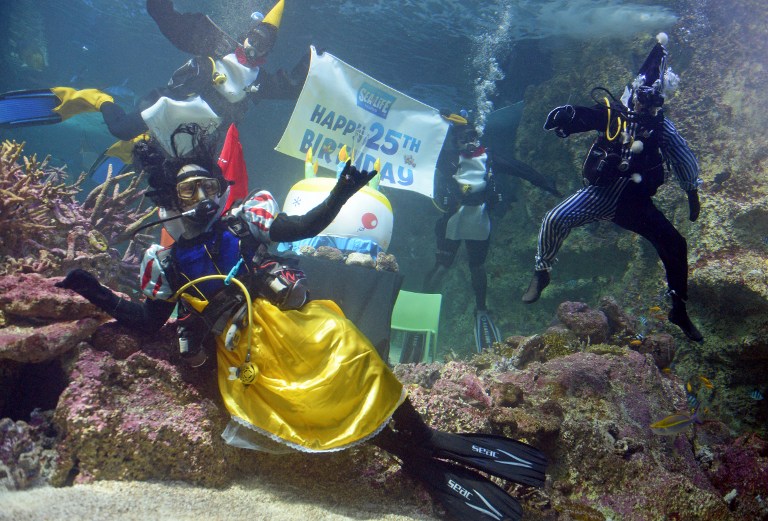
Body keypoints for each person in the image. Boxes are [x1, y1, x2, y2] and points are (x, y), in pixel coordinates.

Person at [55, 124, 546, 521]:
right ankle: (405, 451)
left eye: (209, 185)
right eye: (190, 189)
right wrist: (92, 291)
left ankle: (421, 436)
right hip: (243, 349)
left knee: (350, 348)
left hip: (289, 322)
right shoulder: (164, 261)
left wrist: (341, 192)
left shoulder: (244, 221)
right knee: (306, 401)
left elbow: (304, 227)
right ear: (172, 196)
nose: (203, 197)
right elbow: (146, 320)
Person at [521, 33, 704, 342]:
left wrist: (691, 190)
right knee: (554, 219)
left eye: (652, 101)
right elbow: (589, 116)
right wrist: (567, 116)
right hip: (600, 194)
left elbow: (682, 154)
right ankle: (542, 272)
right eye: (641, 98)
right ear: (633, 93)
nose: (644, 107)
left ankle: (678, 307)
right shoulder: (616, 113)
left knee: (676, 245)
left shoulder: (660, 126)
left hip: (635, 205)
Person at [0, 0, 307, 157]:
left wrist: (314, 63)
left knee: (173, 168)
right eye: (254, 38)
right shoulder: (214, 45)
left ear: (269, 49)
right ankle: (94, 98)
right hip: (168, 107)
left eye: (264, 44)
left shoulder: (260, 81)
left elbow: (292, 87)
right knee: (121, 129)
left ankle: (137, 149)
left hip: (200, 133)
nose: (255, 47)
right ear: (245, 35)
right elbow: (167, 19)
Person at [423, 110, 561, 353]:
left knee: (469, 266)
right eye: (462, 138)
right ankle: (439, 302)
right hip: (460, 219)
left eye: (472, 137)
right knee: (449, 265)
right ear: (454, 140)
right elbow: (419, 152)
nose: (468, 142)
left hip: (474, 220)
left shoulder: (480, 158)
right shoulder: (448, 158)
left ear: (479, 137)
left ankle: (477, 309)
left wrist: (546, 184)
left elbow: (521, 170)